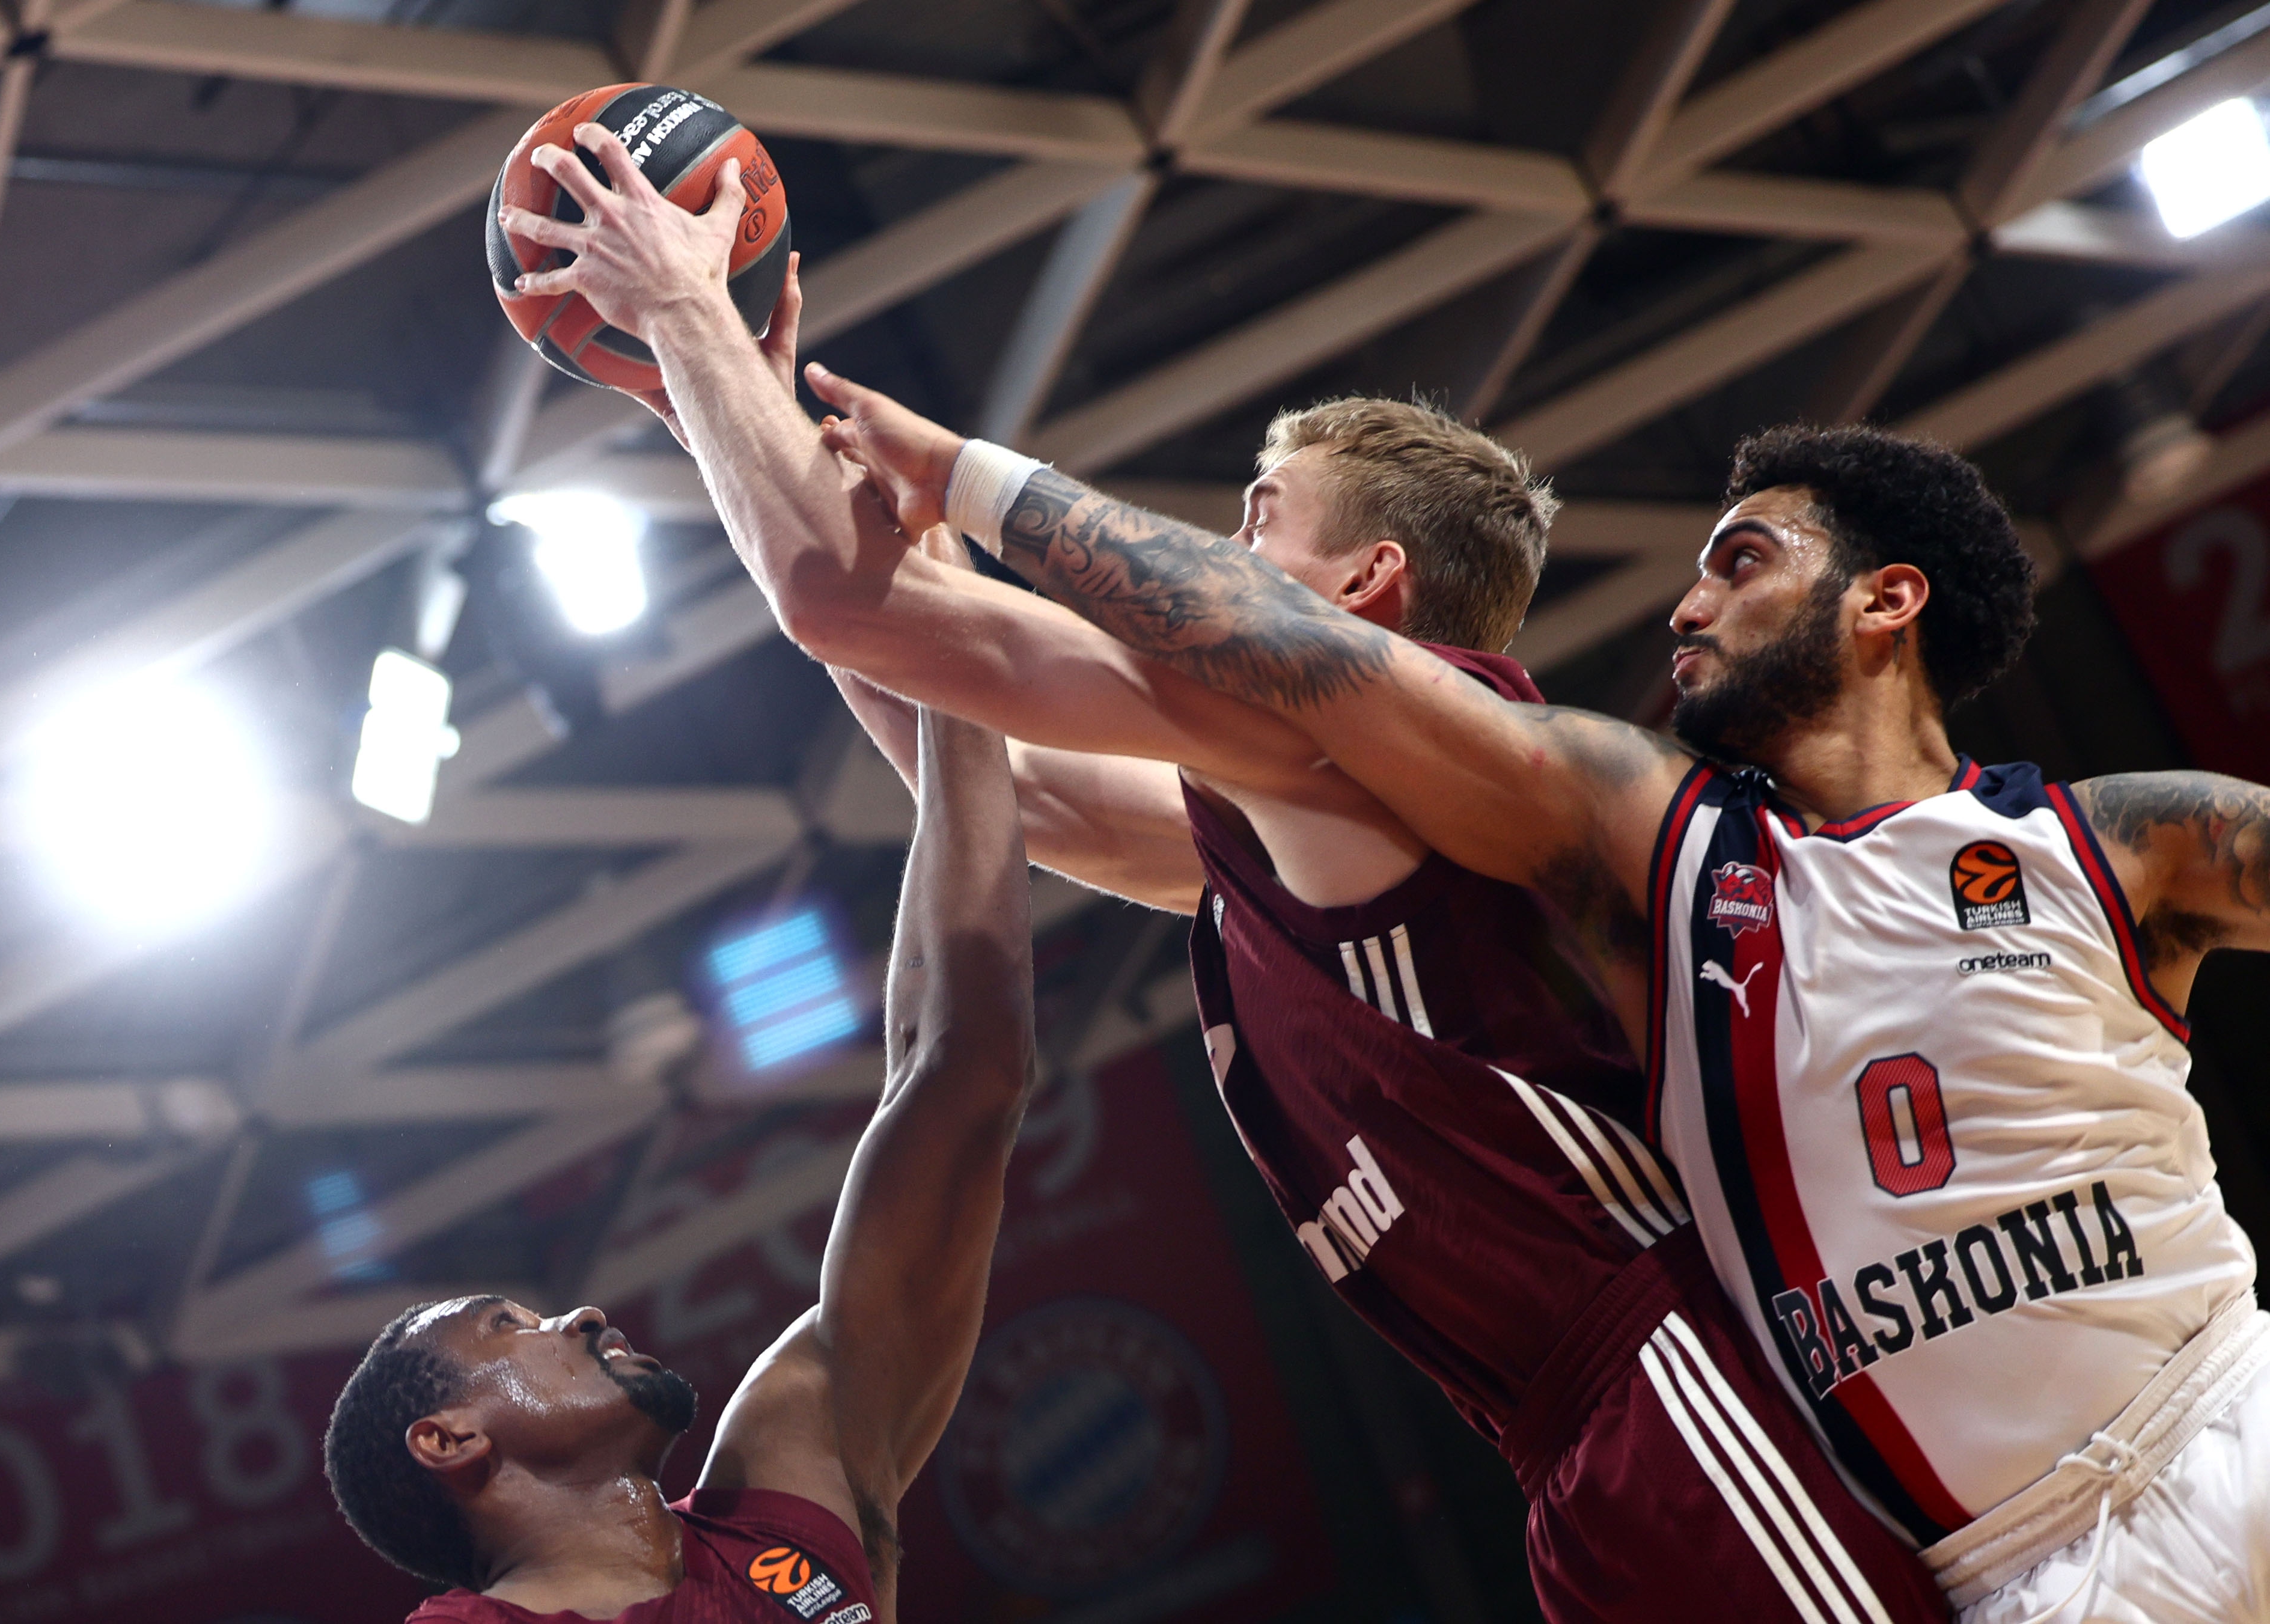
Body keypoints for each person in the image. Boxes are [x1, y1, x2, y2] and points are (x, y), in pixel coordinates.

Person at [495, 128, 1954, 1623]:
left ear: (1367, 584)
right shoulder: (1299, 802)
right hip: (1574, 1436)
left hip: (1674, 1378)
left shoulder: (1374, 739)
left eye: (1258, 517)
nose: (1212, 546)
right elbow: (1009, 762)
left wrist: (687, 319)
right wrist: (717, 413)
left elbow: (869, 614)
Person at [809, 393, 2270, 1622]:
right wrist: (879, 570)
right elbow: (1275, 673)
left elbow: (1266, 629)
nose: (1686, 602)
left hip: (2225, 1419)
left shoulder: (2118, 840)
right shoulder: (1648, 847)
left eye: (1739, 560)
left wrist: (971, 482)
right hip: (2010, 1576)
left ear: (1885, 599)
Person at [320, 659, 1034, 1623]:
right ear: (448, 1440)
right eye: (507, 1328)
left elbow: (961, 1075)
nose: (574, 1316)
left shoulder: (784, 1496)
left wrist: (946, 637)